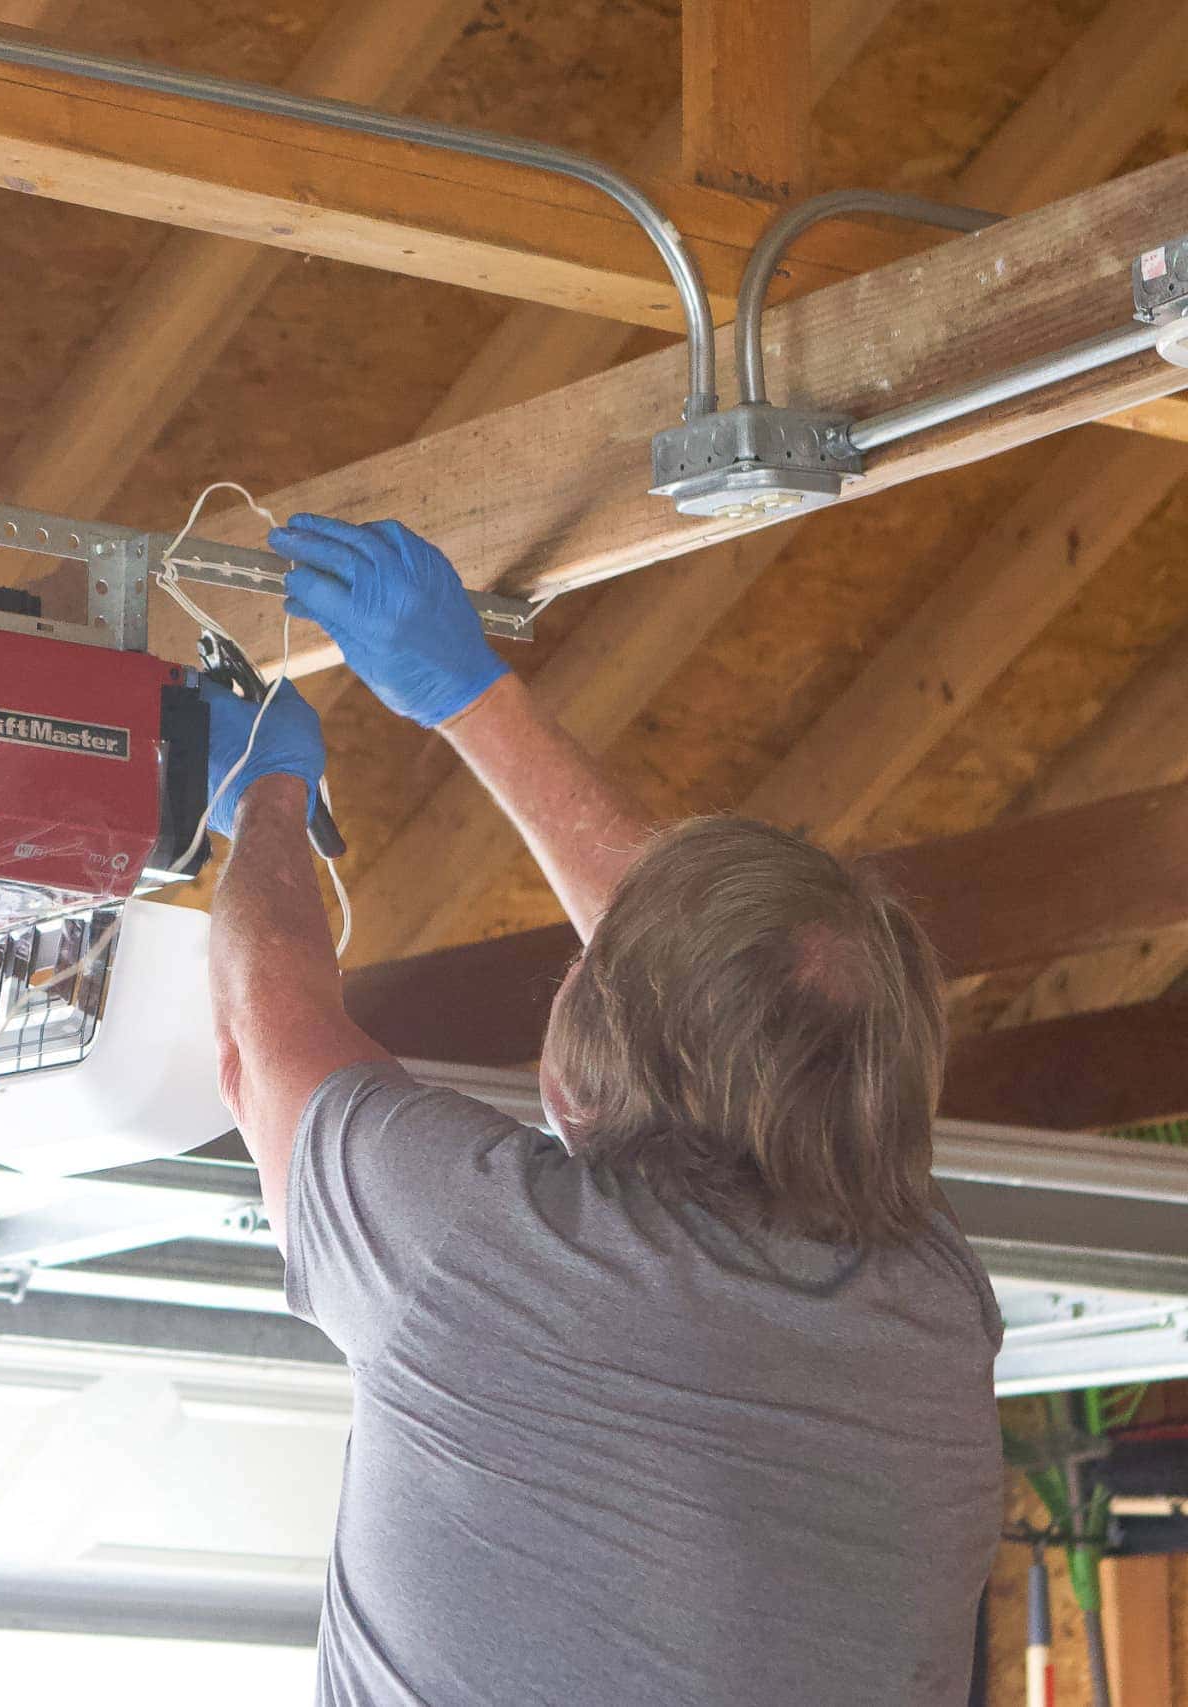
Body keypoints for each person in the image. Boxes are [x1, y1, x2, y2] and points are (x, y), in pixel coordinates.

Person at [201, 515, 1003, 1707]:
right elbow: (726, 981)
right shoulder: (916, 1304)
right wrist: (430, 715)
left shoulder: (487, 1263)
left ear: (569, 1091)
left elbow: (264, 1032)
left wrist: (266, 790)